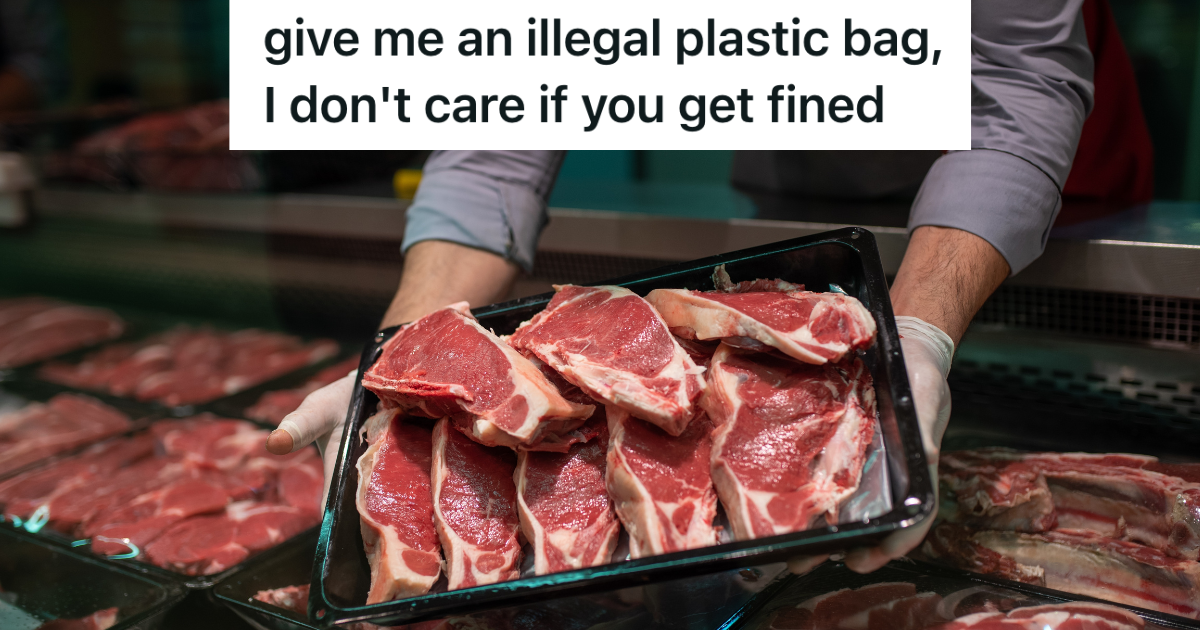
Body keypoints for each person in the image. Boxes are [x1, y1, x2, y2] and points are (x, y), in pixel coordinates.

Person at [266, 0, 1146, 575]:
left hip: (1035, 213)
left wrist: (922, 336)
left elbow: (1013, 89)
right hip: (806, 174)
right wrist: (408, 360)